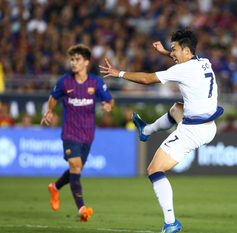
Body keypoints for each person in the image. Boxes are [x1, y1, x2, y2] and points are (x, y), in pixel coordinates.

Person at [100, 28, 223, 233]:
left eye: (174, 49)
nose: (172, 53)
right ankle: (146, 130)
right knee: (177, 108)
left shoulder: (184, 69)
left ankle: (171, 222)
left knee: (154, 170)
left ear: (185, 50)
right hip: (209, 125)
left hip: (193, 130)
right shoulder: (204, 62)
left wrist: (118, 73)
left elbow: (148, 79)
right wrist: (166, 51)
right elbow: (182, 59)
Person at [41, 44, 114, 222]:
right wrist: (50, 111)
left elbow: (110, 100)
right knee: (75, 166)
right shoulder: (65, 82)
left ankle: (55, 187)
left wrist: (107, 105)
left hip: (88, 133)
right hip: (70, 132)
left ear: (86, 62)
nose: (73, 63)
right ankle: (82, 209)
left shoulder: (96, 82)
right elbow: (53, 98)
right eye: (72, 59)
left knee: (77, 168)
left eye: (77, 59)